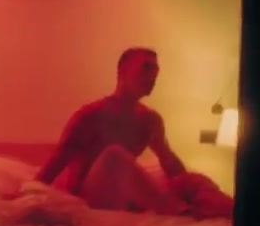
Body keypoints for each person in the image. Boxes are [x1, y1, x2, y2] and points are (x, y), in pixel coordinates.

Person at [35, 47, 195, 215]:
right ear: (122, 72)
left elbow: (170, 162)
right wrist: (27, 198)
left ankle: (187, 206)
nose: (152, 77)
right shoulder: (91, 115)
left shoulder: (150, 120)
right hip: (88, 199)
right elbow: (53, 167)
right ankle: (175, 211)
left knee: (192, 183)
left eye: (156, 71)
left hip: (122, 199)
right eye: (146, 68)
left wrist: (193, 189)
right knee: (114, 155)